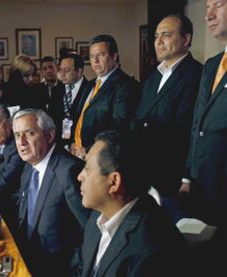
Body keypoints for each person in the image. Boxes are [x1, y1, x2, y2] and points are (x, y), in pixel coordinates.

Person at [73, 130, 188, 277]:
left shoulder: (152, 249)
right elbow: (80, 268)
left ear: (114, 182)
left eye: (87, 168)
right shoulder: (98, 215)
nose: (79, 176)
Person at [133, 14, 202, 222]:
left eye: (166, 35)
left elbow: (193, 129)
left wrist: (186, 177)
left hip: (173, 178)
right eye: (156, 36)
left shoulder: (198, 74)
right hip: (146, 174)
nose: (158, 41)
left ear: (186, 39)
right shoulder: (153, 76)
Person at [12, 109, 89, 277]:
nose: (21, 142)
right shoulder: (28, 166)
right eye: (17, 135)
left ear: (49, 135)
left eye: (29, 133)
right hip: (27, 261)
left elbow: (91, 229)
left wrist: (72, 268)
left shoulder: (69, 171)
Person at [180, 1, 227, 275]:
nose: (208, 15)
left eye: (218, 5)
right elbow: (197, 124)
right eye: (207, 6)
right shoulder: (211, 65)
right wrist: (187, 176)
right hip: (201, 187)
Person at [71, 34, 139, 159]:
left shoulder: (125, 85)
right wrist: (72, 143)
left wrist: (88, 150)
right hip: (77, 154)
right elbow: (79, 116)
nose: (95, 60)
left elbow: (119, 128)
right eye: (92, 56)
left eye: (101, 55)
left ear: (114, 57)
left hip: (100, 158)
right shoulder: (90, 84)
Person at [55, 53, 90, 145]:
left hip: (82, 143)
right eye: (60, 70)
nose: (62, 74)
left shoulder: (90, 89)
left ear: (79, 71)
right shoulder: (56, 89)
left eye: (66, 70)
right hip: (60, 143)